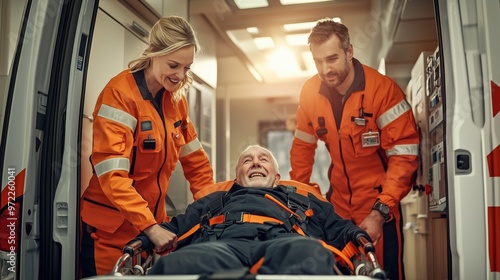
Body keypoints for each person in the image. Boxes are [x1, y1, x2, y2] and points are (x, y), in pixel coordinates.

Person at [80, 16, 214, 276]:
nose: (180, 75)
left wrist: (211, 208)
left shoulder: (176, 101)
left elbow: (196, 163)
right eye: (173, 65)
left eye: (187, 68)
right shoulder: (119, 95)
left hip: (152, 232)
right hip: (111, 233)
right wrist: (150, 226)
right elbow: (112, 176)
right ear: (153, 52)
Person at [289, 18, 419, 280]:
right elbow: (302, 150)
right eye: (318, 61)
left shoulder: (383, 91)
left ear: (349, 51)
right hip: (337, 208)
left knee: (381, 274)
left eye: (332, 58)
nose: (325, 69)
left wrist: (380, 211)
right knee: (341, 274)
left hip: (379, 206)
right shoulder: (309, 93)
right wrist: (295, 203)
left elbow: (404, 157)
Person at [146, 145, 373, 276]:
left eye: (263, 159)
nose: (255, 163)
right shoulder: (213, 201)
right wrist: (145, 237)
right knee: (172, 265)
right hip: (221, 245)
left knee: (310, 252)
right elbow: (173, 228)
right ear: (237, 177)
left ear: (276, 178)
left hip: (284, 241)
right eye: (247, 160)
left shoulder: (303, 200)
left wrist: (360, 236)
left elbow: (340, 228)